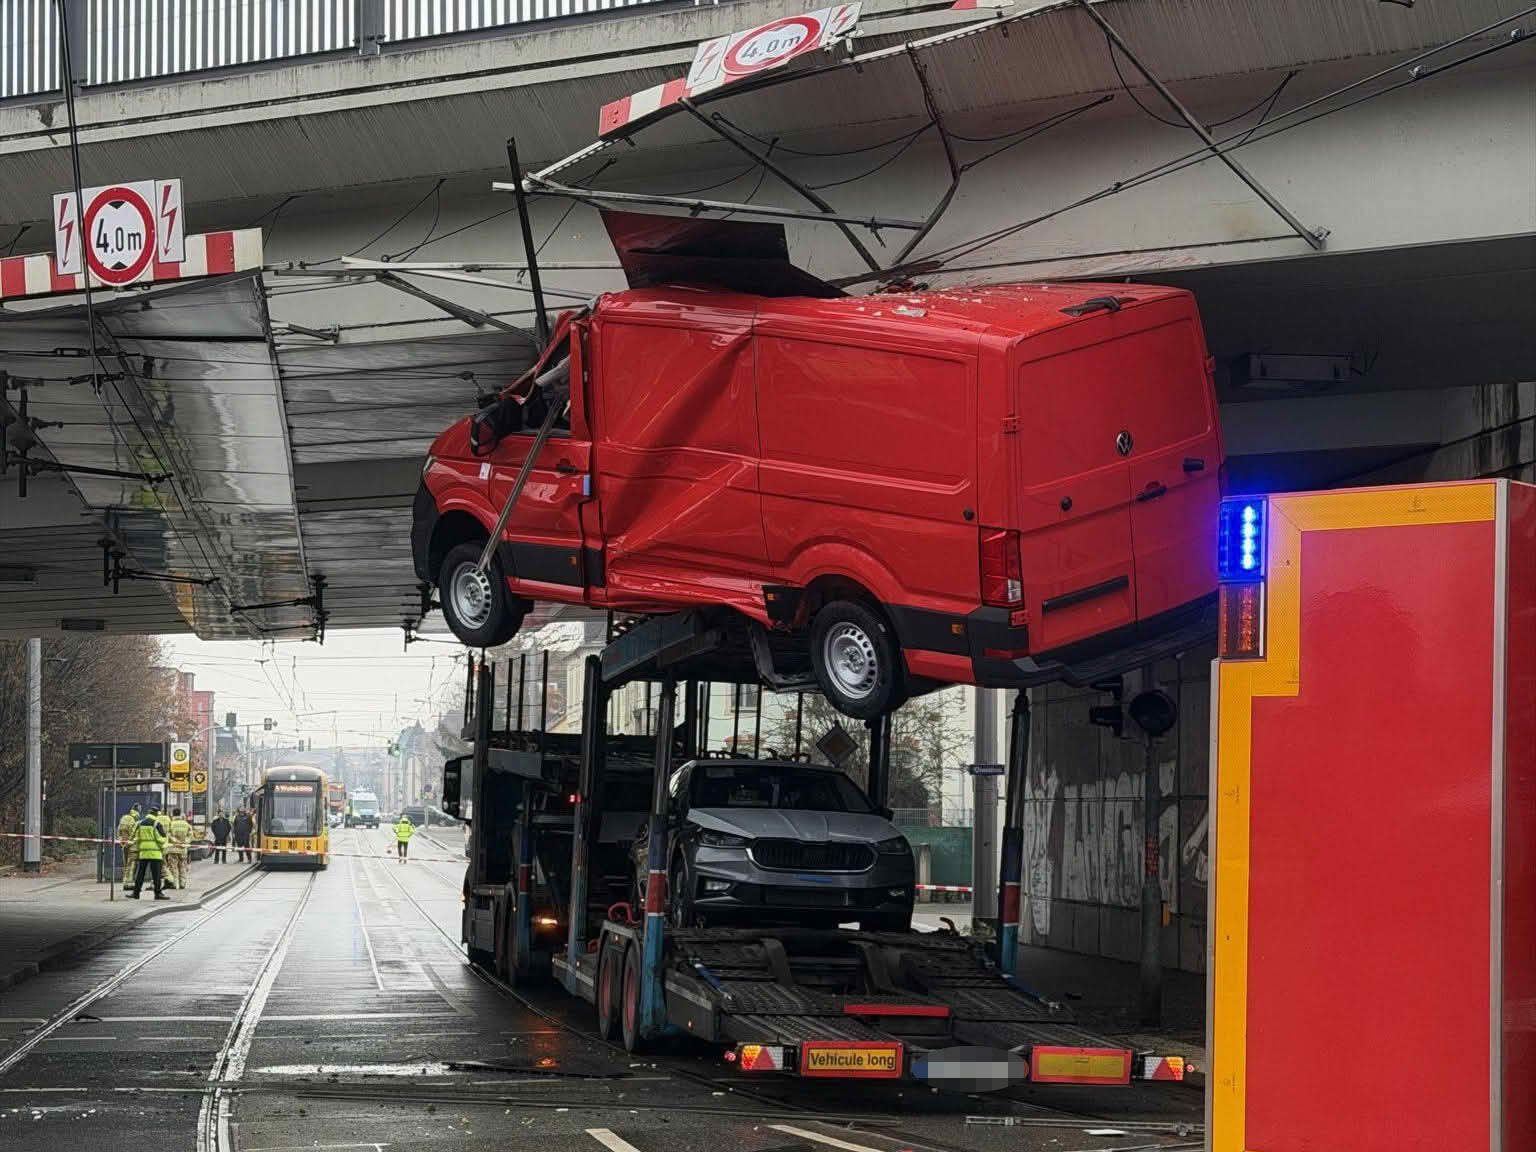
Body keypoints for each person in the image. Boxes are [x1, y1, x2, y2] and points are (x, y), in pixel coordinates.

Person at [131, 806, 169, 900]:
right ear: (156, 814)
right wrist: (163, 847)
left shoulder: (140, 823)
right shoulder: (156, 824)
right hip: (155, 854)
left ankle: (136, 893)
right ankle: (157, 893)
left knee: (140, 873)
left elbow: (135, 837)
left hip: (143, 853)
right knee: (156, 875)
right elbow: (161, 838)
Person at [165, 807, 193, 890]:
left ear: (173, 814)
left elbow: (168, 835)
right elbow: (190, 836)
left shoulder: (171, 824)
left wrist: (175, 841)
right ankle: (182, 883)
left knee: (173, 867)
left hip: (173, 848)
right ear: (180, 814)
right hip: (183, 849)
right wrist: (184, 842)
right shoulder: (186, 824)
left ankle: (174, 883)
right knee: (182, 866)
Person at [117, 804, 141, 892]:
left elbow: (119, 831)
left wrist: (122, 842)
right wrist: (131, 842)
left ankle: (125, 882)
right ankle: (130, 884)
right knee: (132, 865)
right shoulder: (136, 819)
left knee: (126, 865)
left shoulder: (124, 818)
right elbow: (135, 833)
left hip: (124, 845)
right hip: (132, 846)